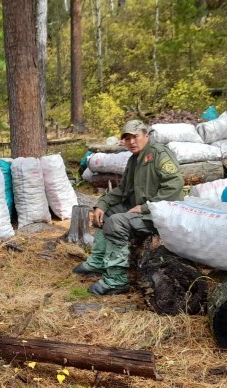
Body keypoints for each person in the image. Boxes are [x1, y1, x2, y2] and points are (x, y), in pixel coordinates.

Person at [73, 120, 184, 295]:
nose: (131, 142)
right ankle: (99, 262)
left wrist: (146, 208)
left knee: (116, 222)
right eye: (127, 138)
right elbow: (123, 190)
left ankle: (116, 280)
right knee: (106, 213)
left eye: (135, 137)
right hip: (144, 211)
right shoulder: (134, 160)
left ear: (146, 136)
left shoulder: (159, 154)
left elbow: (174, 187)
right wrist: (101, 204)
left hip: (162, 214)